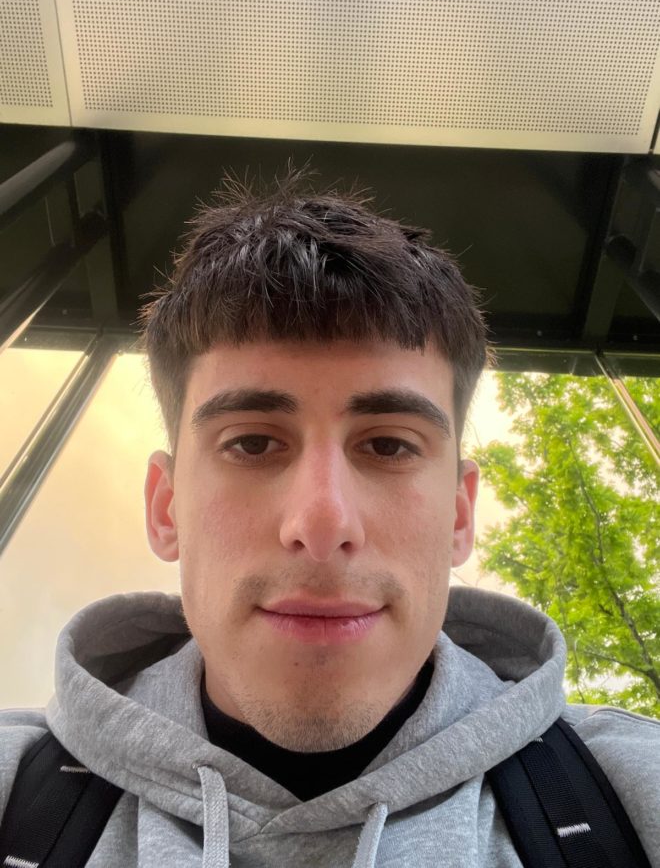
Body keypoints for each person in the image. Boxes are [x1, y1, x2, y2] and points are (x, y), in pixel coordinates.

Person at [0, 169, 658, 868]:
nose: (322, 521)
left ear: (460, 515)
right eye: (252, 443)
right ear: (165, 508)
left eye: (389, 445)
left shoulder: (629, 787)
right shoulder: (17, 788)